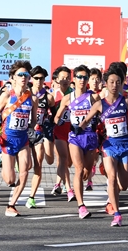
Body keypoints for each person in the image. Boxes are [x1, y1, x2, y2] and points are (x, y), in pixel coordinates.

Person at [77, 63, 128, 226]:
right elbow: (86, 120)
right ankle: (117, 214)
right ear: (106, 83)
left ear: (122, 83)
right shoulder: (99, 104)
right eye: (111, 82)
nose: (114, 85)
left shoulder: (127, 101)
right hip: (108, 145)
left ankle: (114, 201)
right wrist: (78, 130)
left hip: (125, 145)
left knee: (124, 185)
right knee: (111, 177)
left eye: (118, 82)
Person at [0, 60, 37, 217]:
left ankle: (11, 204)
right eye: (20, 75)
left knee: (24, 171)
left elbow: (34, 120)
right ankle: (1, 157)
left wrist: (33, 127)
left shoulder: (32, 98)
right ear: (13, 78)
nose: (24, 77)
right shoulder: (6, 95)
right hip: (8, 139)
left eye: (26, 75)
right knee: (10, 179)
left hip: (23, 139)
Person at [54, 64, 99, 219]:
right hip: (75, 137)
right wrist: (58, 121)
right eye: (79, 77)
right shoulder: (68, 98)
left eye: (85, 77)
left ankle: (87, 174)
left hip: (90, 137)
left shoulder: (93, 97)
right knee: (78, 169)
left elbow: (102, 113)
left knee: (86, 171)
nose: (82, 80)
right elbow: (57, 116)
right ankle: (81, 205)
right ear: (74, 79)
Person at [24, 66, 56, 208]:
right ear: (31, 79)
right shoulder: (25, 95)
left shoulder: (49, 97)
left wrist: (48, 122)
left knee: (40, 164)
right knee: (26, 165)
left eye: (41, 78)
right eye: (36, 78)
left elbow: (54, 116)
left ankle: (32, 197)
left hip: (39, 134)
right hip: (24, 134)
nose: (38, 81)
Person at [50, 66, 74, 199]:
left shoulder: (75, 94)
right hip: (59, 130)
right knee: (62, 159)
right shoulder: (54, 95)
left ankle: (60, 183)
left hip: (72, 131)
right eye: (62, 78)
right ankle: (64, 186)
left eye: (67, 78)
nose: (65, 80)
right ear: (57, 80)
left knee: (68, 162)